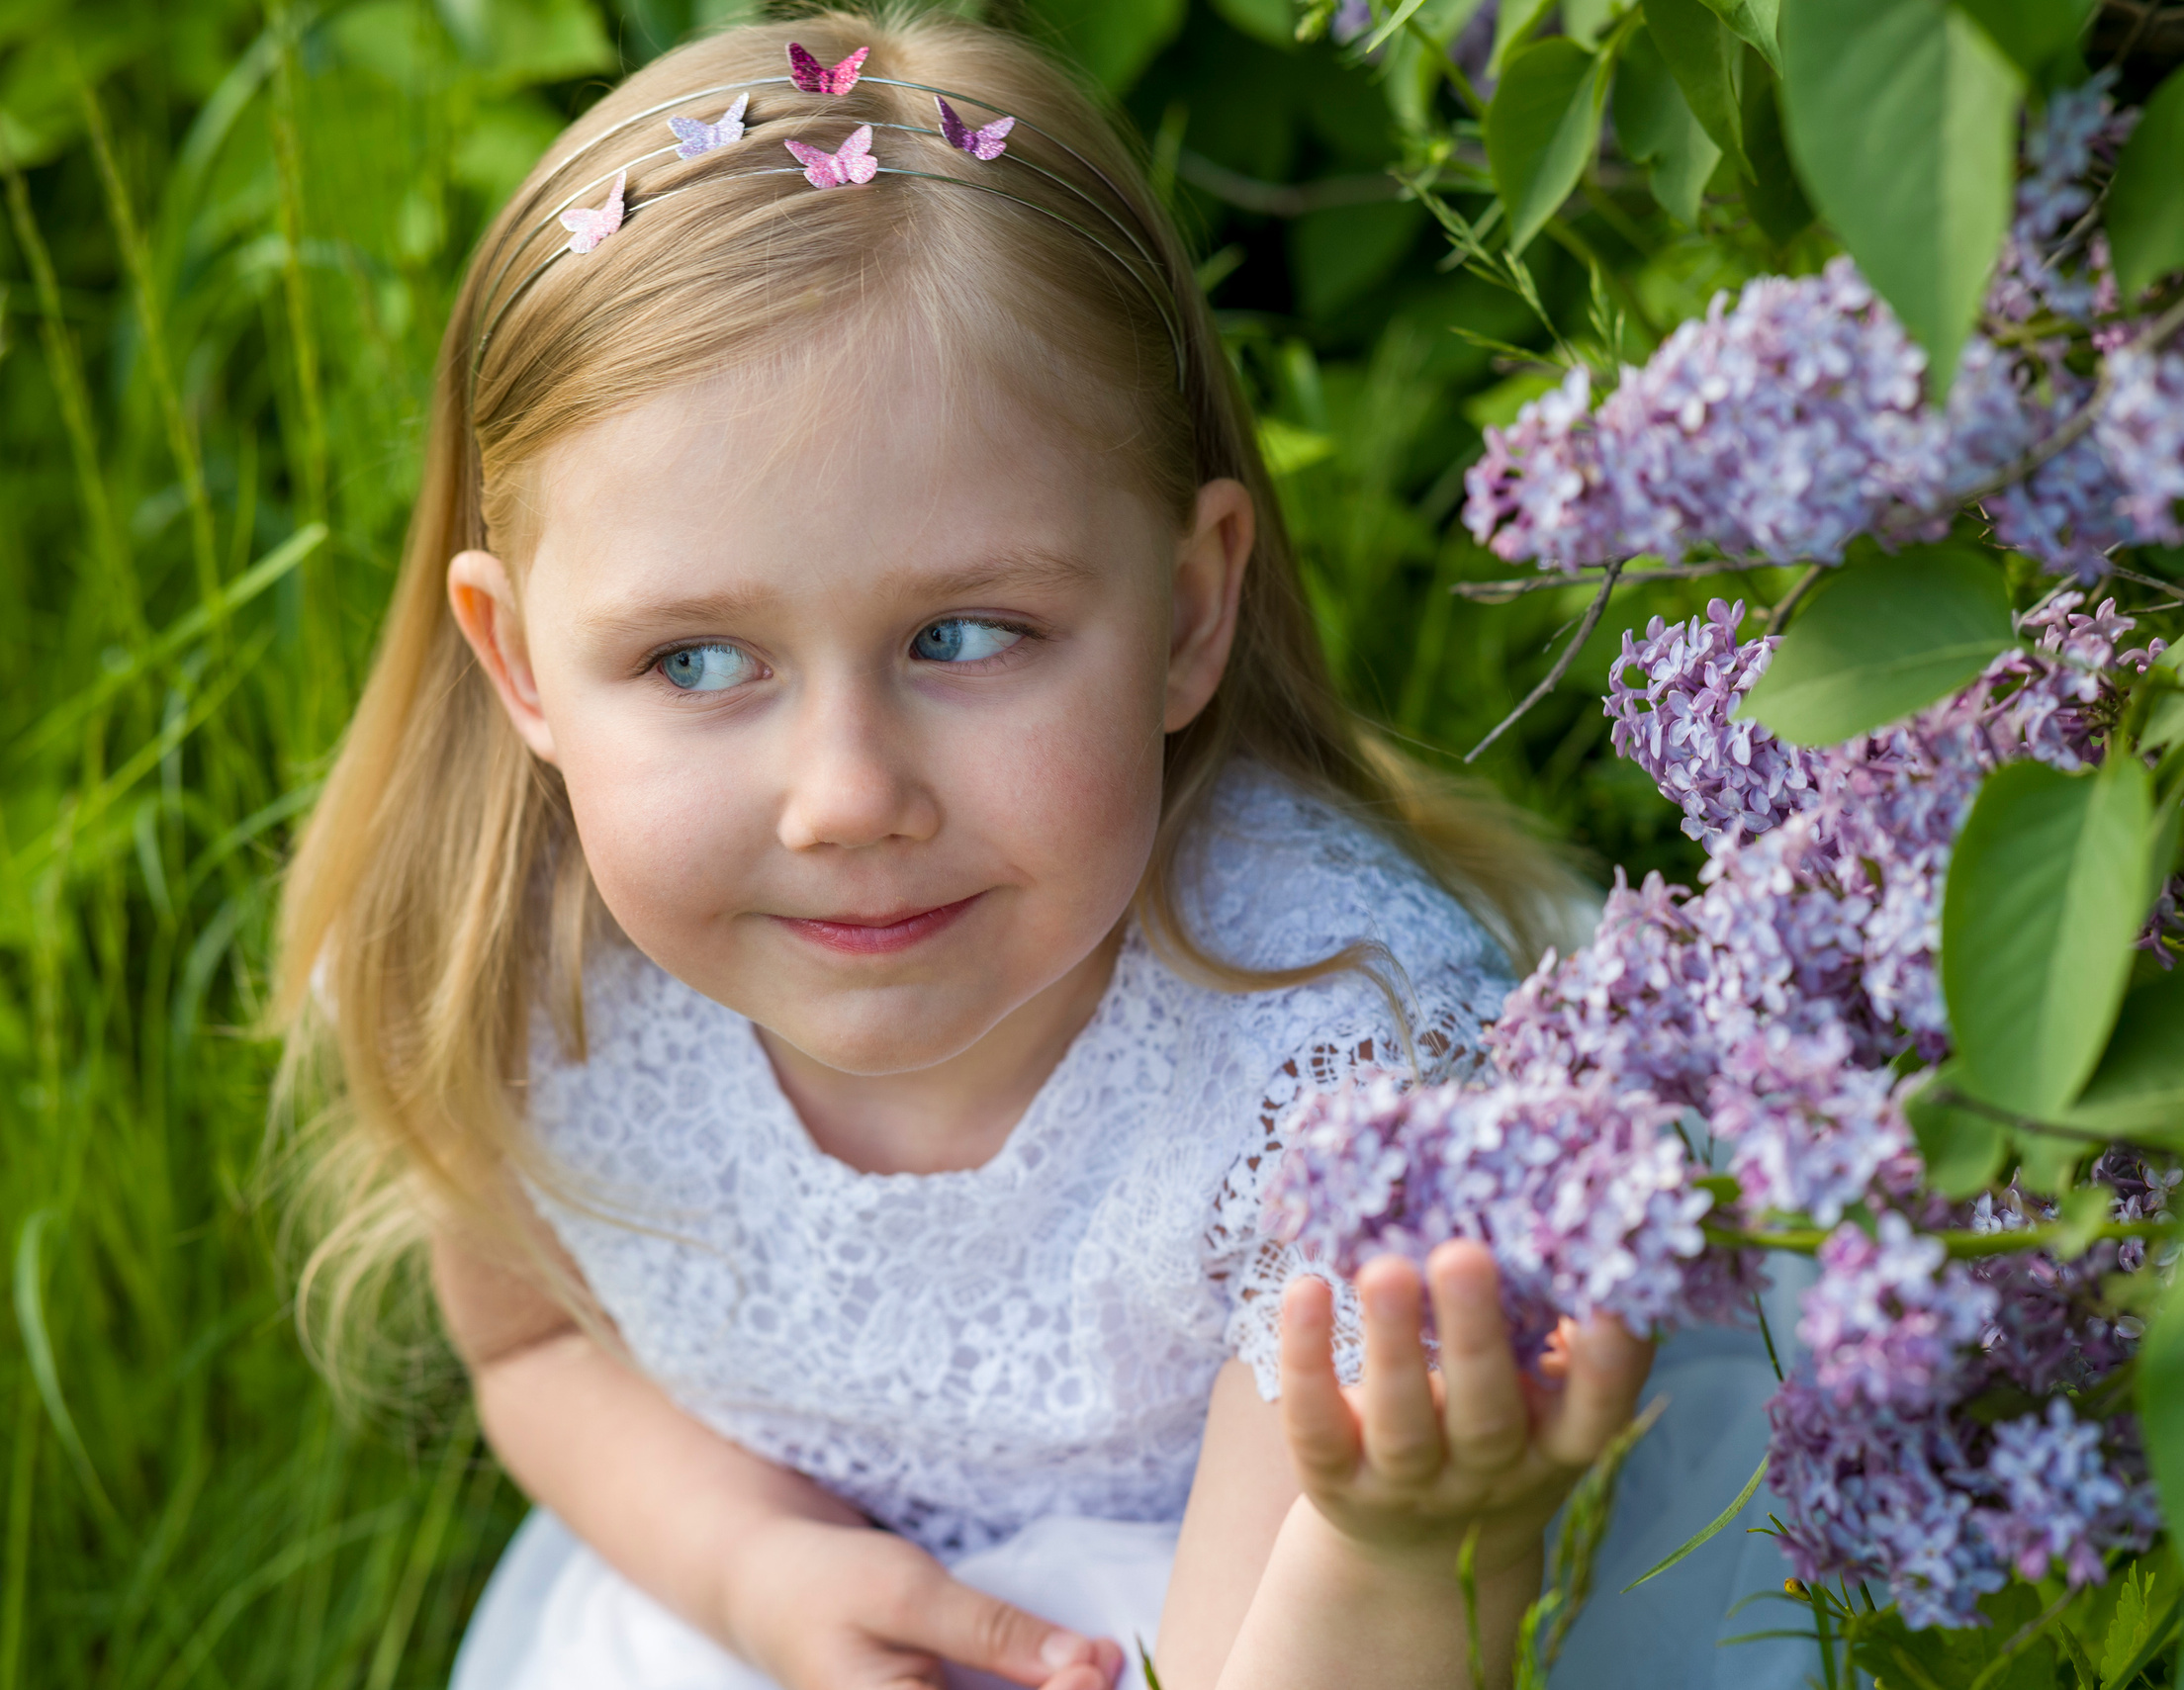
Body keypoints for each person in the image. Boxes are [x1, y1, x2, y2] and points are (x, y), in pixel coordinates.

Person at [274, 8, 1793, 1687]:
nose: (846, 794)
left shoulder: (1339, 1068)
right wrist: (751, 1567)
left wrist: (1416, 1541)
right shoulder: (514, 964)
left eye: (968, 634)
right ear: (523, 668)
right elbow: (535, 1339)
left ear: (1187, 609)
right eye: (696, 661)